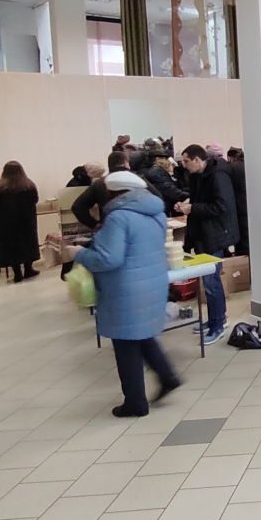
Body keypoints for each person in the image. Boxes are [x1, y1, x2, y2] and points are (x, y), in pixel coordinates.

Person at [71, 171, 180, 417]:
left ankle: (135, 403)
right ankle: (167, 376)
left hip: (126, 288)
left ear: (114, 193)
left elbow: (109, 259)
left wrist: (78, 253)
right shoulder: (157, 214)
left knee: (125, 344)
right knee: (141, 335)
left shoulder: (118, 217)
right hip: (152, 283)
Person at [178, 144, 238, 345]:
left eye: (186, 161)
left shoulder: (217, 176)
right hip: (202, 233)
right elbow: (200, 201)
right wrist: (187, 203)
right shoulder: (197, 176)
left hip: (215, 234)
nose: (184, 165)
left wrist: (192, 208)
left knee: (212, 282)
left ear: (197, 159)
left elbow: (222, 206)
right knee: (208, 280)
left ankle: (218, 325)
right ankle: (215, 319)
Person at [0, 161, 41, 282]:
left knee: (9, 245)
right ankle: (28, 269)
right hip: (26, 220)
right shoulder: (29, 185)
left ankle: (17, 273)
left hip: (4, 222)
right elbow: (35, 200)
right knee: (27, 243)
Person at [73, 151, 132, 230]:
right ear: (125, 164)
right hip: (135, 230)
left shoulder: (99, 184)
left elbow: (77, 207)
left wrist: (94, 225)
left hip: (109, 230)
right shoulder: (139, 181)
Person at [227, 148, 249, 256]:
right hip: (250, 205)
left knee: (242, 240)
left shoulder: (232, 168)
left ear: (230, 157)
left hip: (238, 207)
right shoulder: (249, 164)